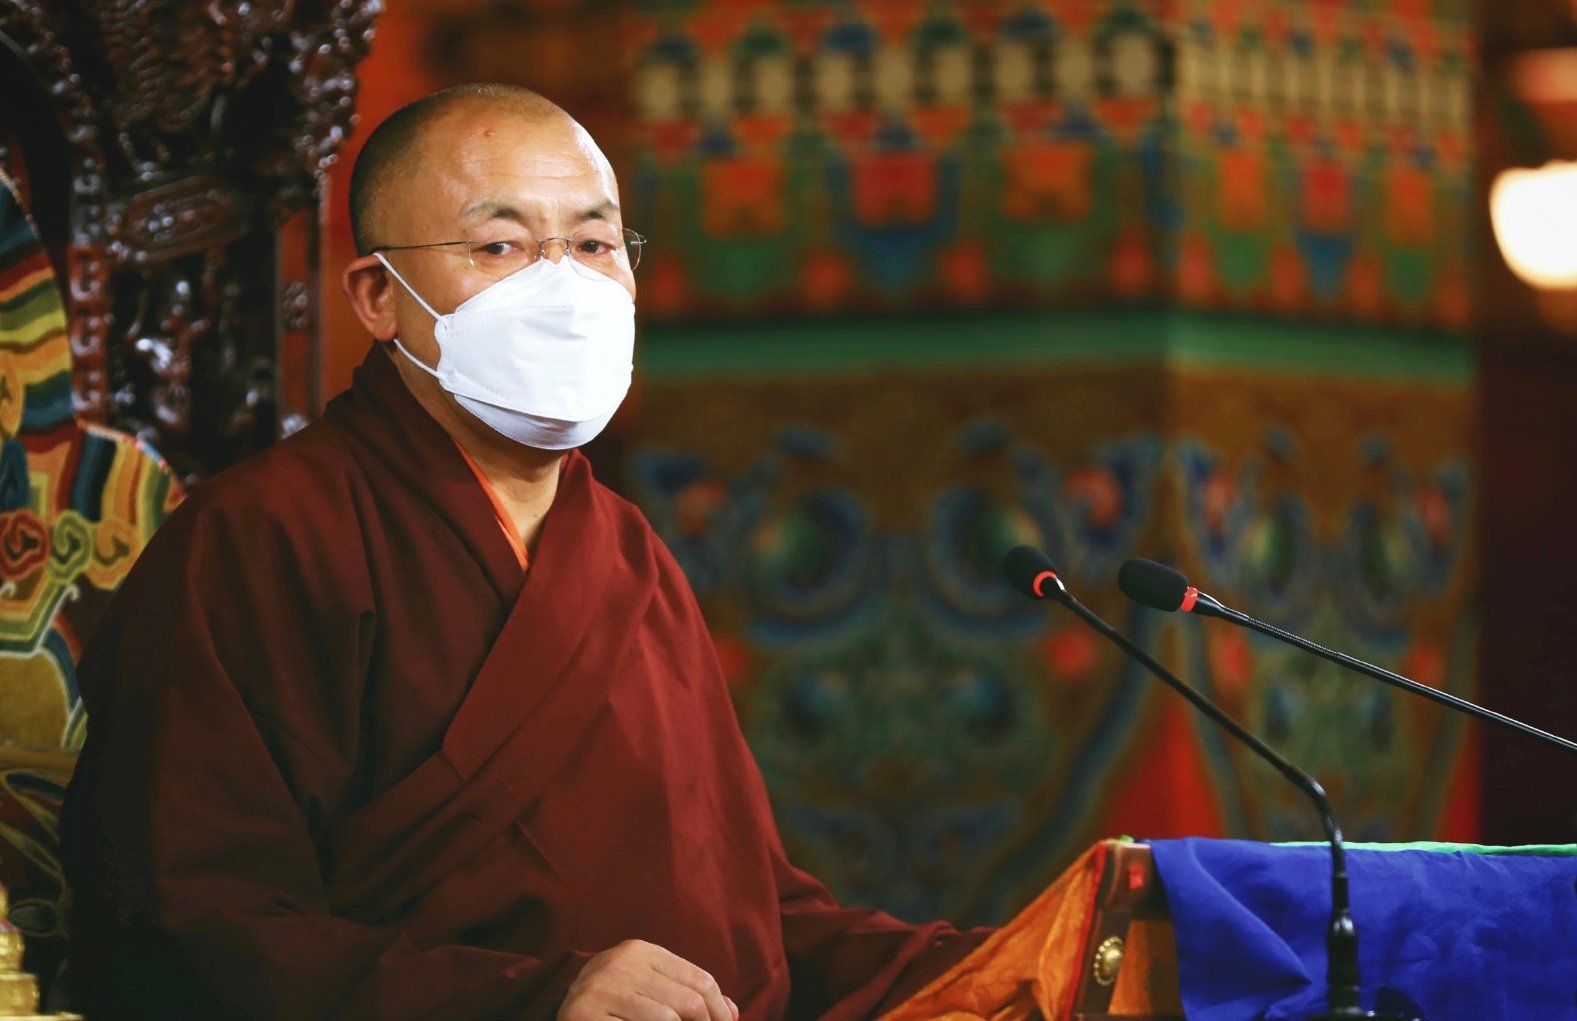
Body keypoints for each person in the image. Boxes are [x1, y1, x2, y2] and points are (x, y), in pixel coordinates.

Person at [60, 83, 989, 1021]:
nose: (564, 290)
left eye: (592, 245)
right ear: (378, 296)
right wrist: (534, 1001)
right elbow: (193, 930)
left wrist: (1006, 963)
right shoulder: (269, 536)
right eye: (499, 246)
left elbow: (753, 919)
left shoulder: (628, 555)